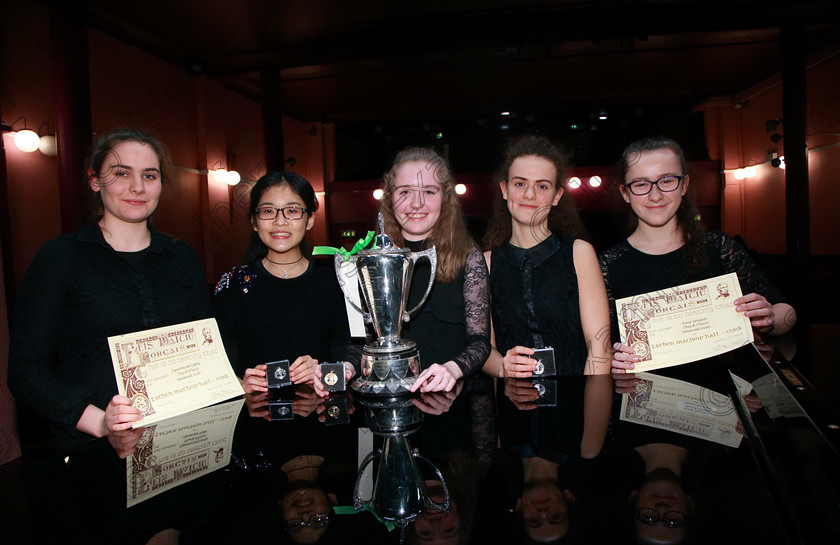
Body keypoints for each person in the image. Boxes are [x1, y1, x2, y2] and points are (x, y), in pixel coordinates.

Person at [8, 128, 213, 443]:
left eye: (149, 175)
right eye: (121, 173)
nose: (137, 187)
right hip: (91, 448)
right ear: (94, 180)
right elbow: (26, 371)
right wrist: (101, 422)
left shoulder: (182, 257)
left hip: (180, 440)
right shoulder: (60, 258)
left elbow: (205, 349)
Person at [599, 136, 797, 393]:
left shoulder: (720, 249)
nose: (655, 194)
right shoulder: (607, 265)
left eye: (667, 180)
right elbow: (597, 346)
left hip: (724, 409)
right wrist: (612, 359)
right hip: (647, 406)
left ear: (684, 185)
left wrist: (769, 318)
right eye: (641, 184)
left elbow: (787, 313)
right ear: (625, 193)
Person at [481, 135, 613, 460]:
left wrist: (592, 435)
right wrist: (502, 367)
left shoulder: (579, 253)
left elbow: (599, 348)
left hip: (575, 412)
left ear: (557, 196)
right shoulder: (485, 262)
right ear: (504, 190)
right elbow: (483, 347)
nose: (529, 194)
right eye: (520, 183)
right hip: (510, 413)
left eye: (542, 186)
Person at [213, 171, 355, 393]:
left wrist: (324, 370)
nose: (280, 221)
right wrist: (238, 385)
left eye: (292, 211)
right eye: (268, 211)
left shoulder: (335, 281)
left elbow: (351, 351)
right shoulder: (234, 283)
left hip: (321, 415)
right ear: (254, 221)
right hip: (255, 418)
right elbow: (217, 360)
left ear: (309, 220)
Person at [376, 147, 491, 393]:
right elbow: (362, 340)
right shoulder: (374, 259)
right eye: (405, 191)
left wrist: (452, 368)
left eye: (429, 191)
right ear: (389, 198)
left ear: (445, 198)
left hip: (451, 402)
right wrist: (346, 367)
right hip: (392, 401)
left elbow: (480, 343)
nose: (417, 203)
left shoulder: (468, 255)